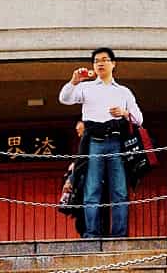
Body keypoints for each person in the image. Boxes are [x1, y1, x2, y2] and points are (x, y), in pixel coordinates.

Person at [59, 48, 142, 239]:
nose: (100, 63)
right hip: (94, 142)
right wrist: (74, 81)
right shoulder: (86, 87)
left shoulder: (123, 91)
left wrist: (124, 113)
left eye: (105, 60)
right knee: (92, 190)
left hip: (116, 142)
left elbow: (139, 119)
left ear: (114, 64)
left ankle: (120, 235)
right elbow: (64, 98)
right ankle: (91, 234)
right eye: (96, 61)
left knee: (120, 191)